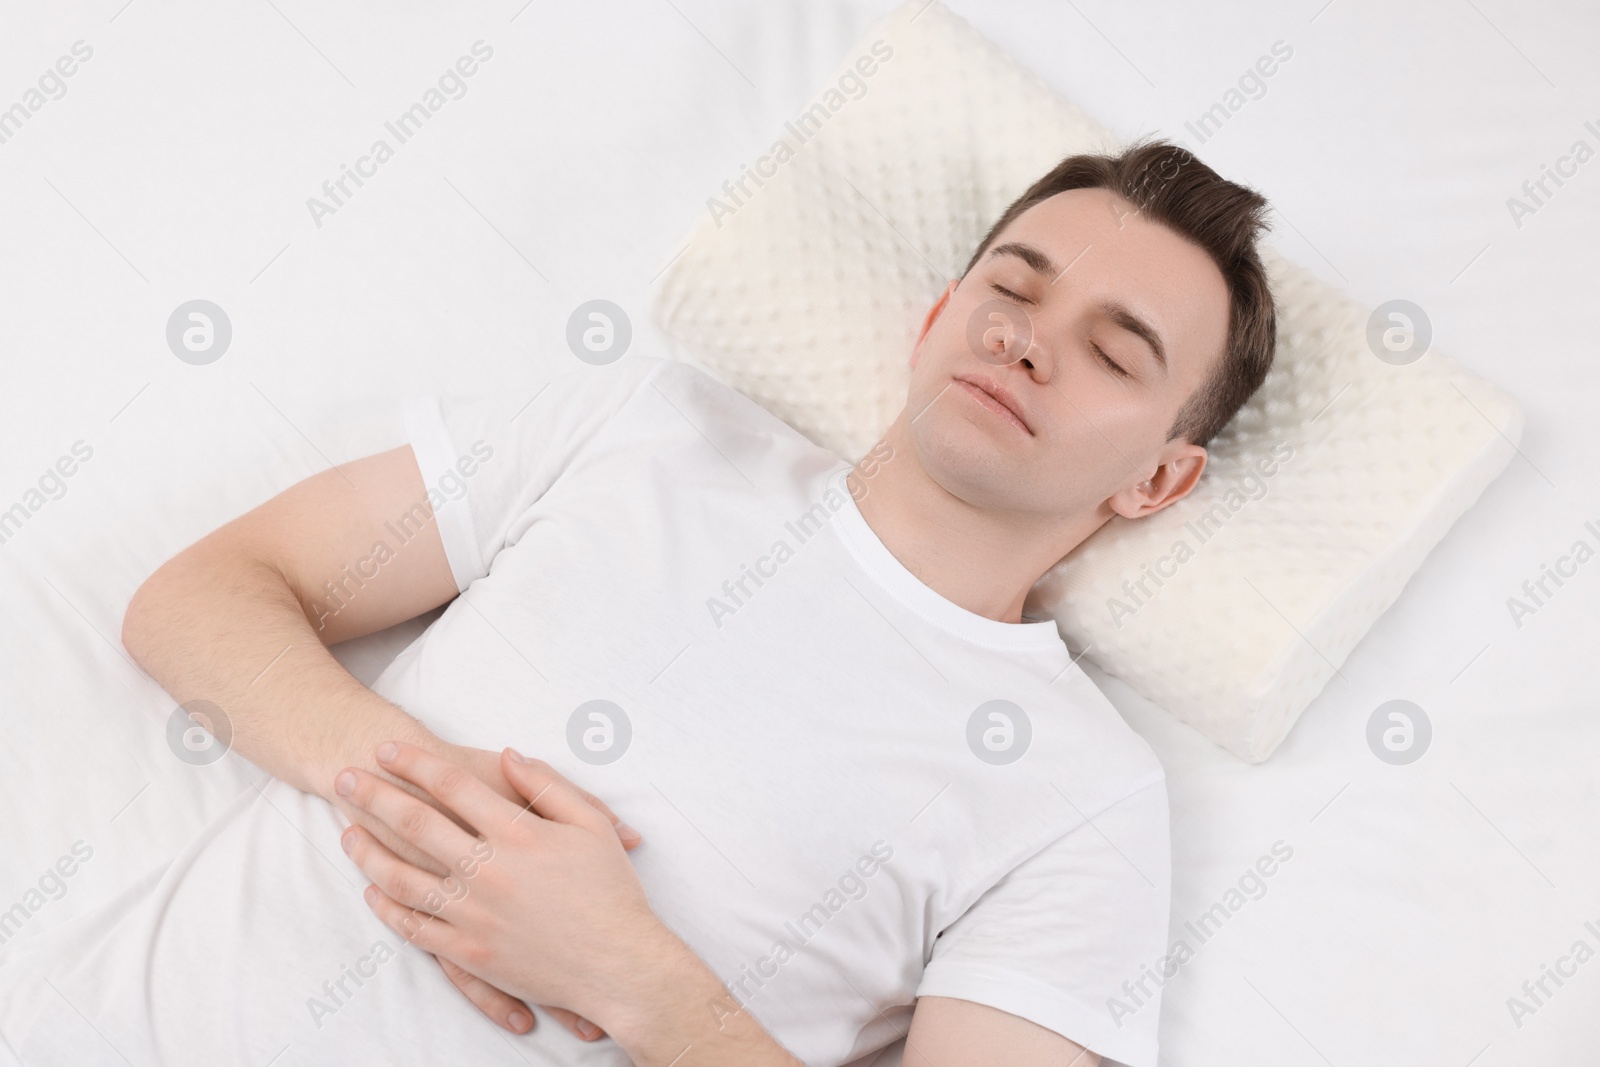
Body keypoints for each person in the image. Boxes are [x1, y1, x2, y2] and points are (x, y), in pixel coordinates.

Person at [0, 138, 1275, 1067]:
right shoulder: (646, 427)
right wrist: (430, 806)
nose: (1027, 337)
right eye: (1012, 283)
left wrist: (633, 975)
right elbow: (198, 598)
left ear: (1158, 478)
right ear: (938, 313)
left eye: (1113, 351)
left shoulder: (1078, 794)